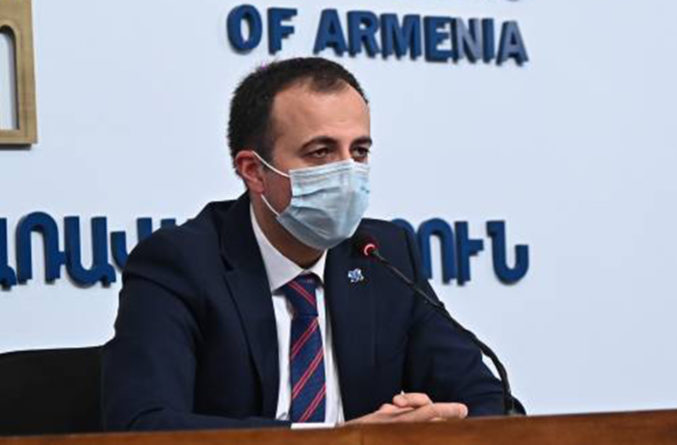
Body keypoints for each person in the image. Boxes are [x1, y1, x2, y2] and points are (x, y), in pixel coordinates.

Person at [102, 57, 515, 430]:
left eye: (359, 151)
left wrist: (443, 425)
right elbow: (142, 425)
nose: (347, 172)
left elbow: (491, 401)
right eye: (320, 152)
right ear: (253, 171)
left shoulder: (382, 254)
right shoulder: (181, 264)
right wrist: (335, 442)